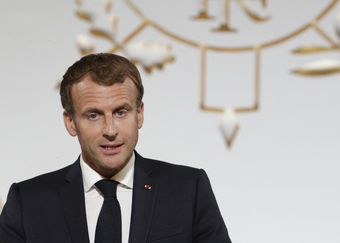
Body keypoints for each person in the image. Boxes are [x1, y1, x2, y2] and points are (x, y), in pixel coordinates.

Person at [0, 53, 231, 243]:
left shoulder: (189, 189)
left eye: (121, 112)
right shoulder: (28, 202)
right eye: (93, 115)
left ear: (139, 114)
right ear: (70, 122)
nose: (110, 130)